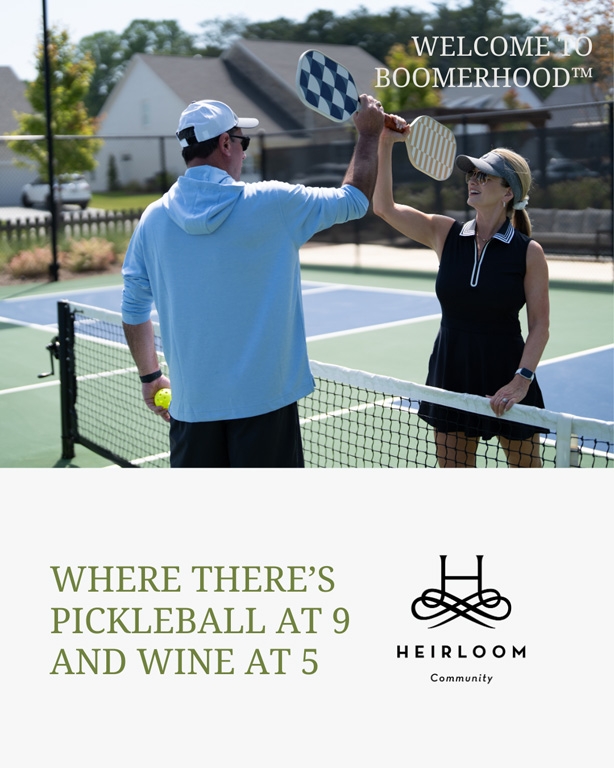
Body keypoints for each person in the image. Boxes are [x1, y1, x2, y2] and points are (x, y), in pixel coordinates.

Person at [121, 97, 385, 467]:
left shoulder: (152, 219)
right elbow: (354, 200)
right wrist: (369, 135)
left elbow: (133, 309)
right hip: (266, 406)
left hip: (191, 410)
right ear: (225, 144)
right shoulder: (274, 202)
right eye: (242, 141)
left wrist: (150, 377)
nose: (244, 152)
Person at [373, 119, 550, 468]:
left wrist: (521, 381)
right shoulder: (444, 233)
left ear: (508, 192)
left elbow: (540, 326)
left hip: (506, 371)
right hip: (450, 371)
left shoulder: (529, 253)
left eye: (484, 176)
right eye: (471, 174)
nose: (473, 180)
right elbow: (384, 207)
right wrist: (385, 144)